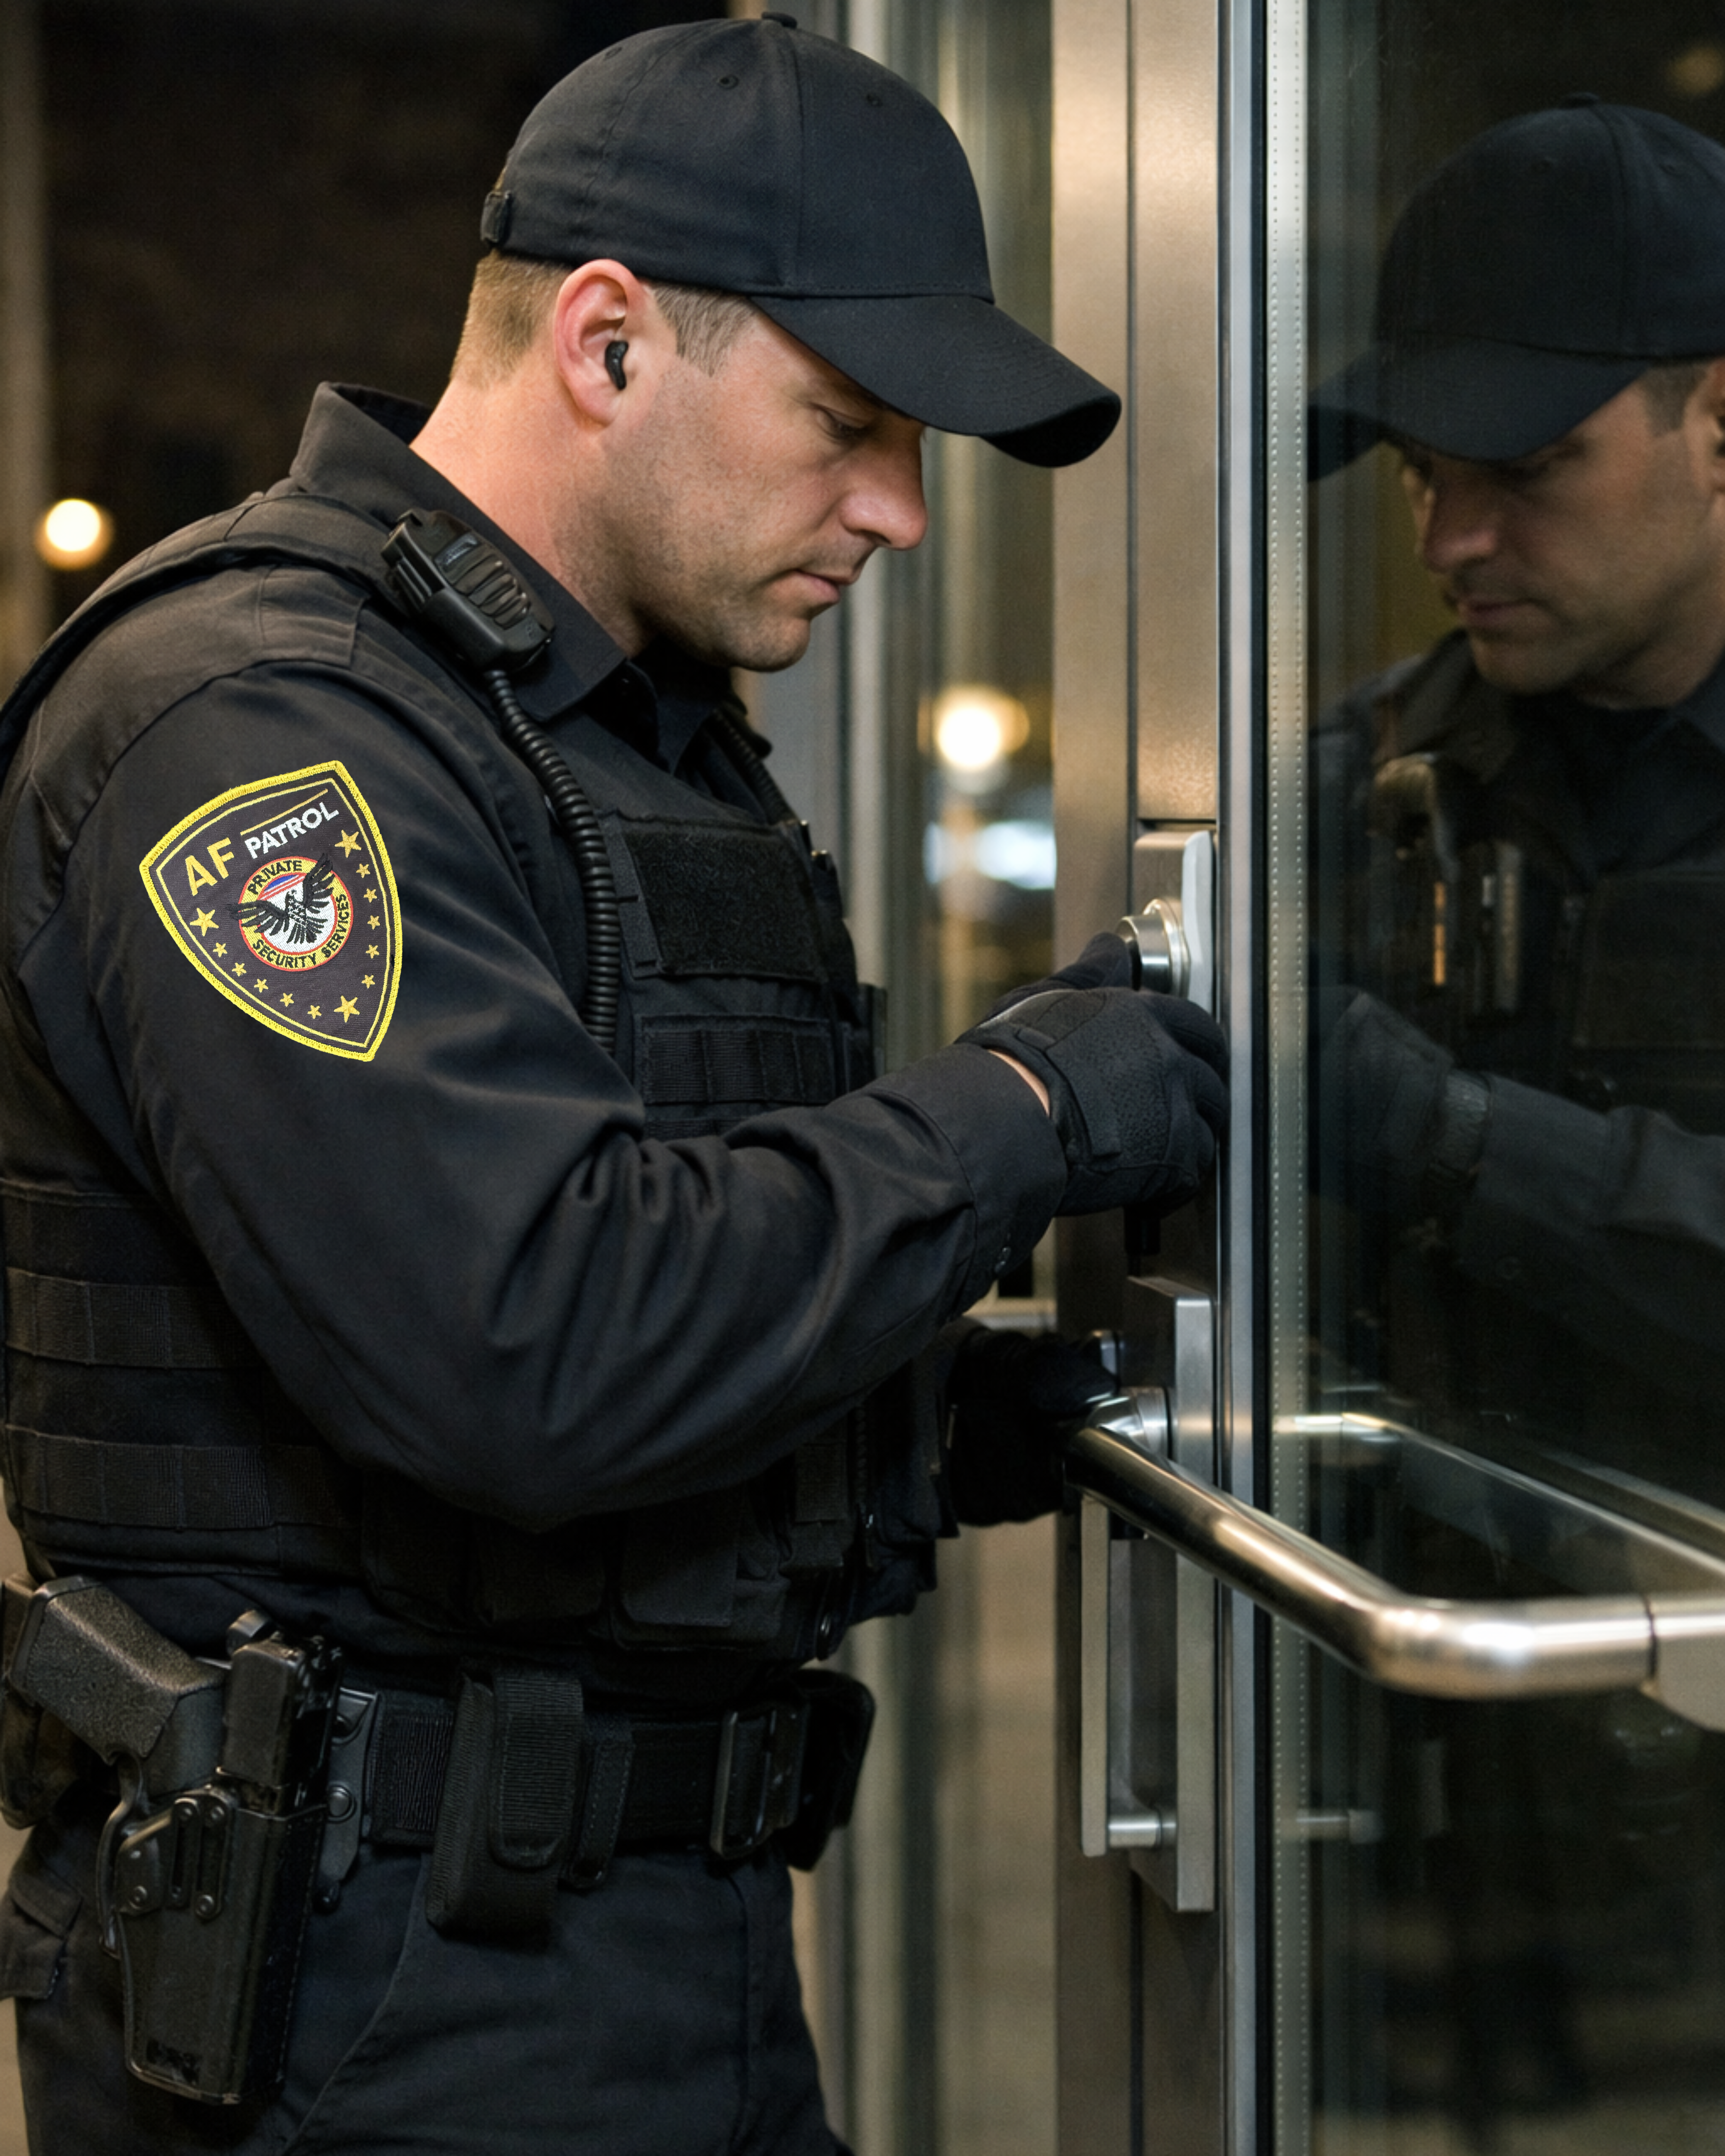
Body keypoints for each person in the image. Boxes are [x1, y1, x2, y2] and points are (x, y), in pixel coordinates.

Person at [0, 17, 1224, 2155]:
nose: (901, 514)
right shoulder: (261, 734)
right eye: (847, 424)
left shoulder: (614, 743)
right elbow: (528, 1338)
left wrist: (945, 1411)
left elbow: (661, 1244)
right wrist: (1028, 1108)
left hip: (649, 1951)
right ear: (605, 340)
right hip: (366, 2008)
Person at [1309, 96, 1725, 1500]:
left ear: (1716, 421)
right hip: (1425, 1684)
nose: (1448, 539)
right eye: (1420, 473)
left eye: (1527, 468)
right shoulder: (1353, 784)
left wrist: (1441, 1136)